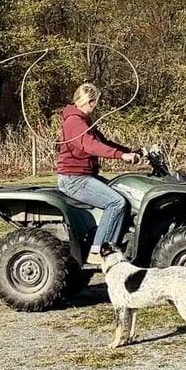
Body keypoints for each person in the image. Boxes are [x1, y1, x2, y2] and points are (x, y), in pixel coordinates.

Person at [56, 83, 140, 265]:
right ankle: (98, 251)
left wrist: (128, 151)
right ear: (89, 101)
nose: (96, 105)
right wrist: (121, 156)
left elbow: (103, 142)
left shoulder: (83, 120)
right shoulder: (75, 122)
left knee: (124, 193)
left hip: (85, 176)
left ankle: (116, 242)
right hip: (75, 179)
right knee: (116, 202)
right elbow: (92, 146)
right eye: (95, 102)